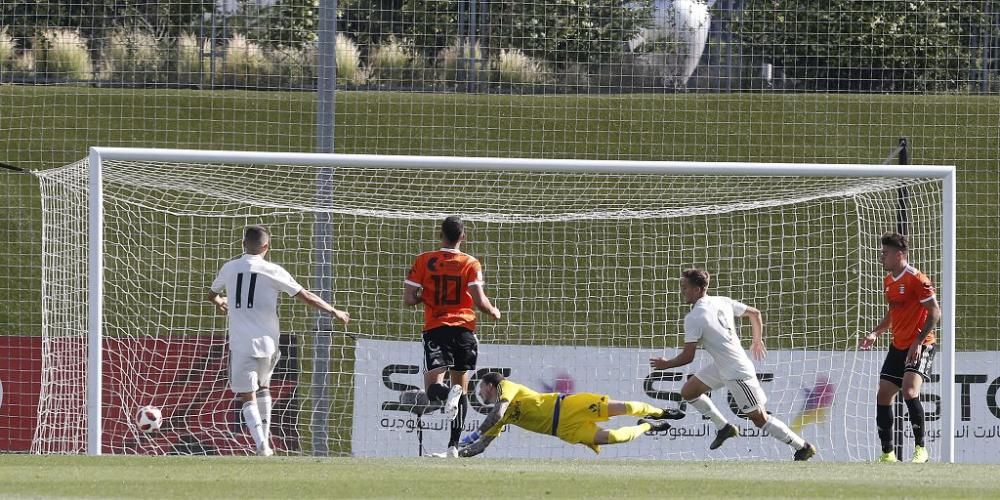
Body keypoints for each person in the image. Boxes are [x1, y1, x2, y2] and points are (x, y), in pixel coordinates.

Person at [208, 225, 350, 456]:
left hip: (241, 343)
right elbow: (307, 296)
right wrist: (334, 311)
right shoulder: (273, 271)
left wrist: (220, 301)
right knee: (263, 387)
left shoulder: (229, 268)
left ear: (243, 244)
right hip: (268, 344)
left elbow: (211, 294)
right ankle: (264, 440)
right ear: (266, 246)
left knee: (247, 395)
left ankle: (261, 444)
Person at [649, 268, 817, 461]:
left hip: (736, 372)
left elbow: (688, 357)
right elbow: (754, 313)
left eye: (685, 287)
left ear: (697, 289)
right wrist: (757, 340)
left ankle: (802, 447)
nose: (682, 291)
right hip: (723, 366)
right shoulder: (721, 301)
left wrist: (666, 364)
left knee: (759, 419)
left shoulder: (694, 318)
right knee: (689, 392)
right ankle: (724, 428)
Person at [404, 216, 501, 456]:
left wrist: (422, 297)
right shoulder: (471, 263)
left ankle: (448, 395)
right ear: (463, 237)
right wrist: (493, 311)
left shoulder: (424, 260)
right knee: (462, 388)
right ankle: (453, 447)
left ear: (440, 234)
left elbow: (408, 299)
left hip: (436, 329)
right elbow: (480, 301)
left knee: (433, 390)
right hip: (464, 331)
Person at [437, 372, 684, 457]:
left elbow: (497, 414)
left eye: (481, 389)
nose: (479, 394)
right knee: (616, 438)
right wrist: (459, 454)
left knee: (625, 408)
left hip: (567, 406)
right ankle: (647, 426)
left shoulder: (506, 388)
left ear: (491, 385)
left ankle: (661, 411)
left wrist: (468, 437)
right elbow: (482, 446)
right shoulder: (502, 419)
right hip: (565, 430)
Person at [858, 232, 940, 463]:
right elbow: (893, 314)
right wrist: (875, 332)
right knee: (883, 395)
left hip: (921, 344)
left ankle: (921, 450)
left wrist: (917, 341)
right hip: (898, 346)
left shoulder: (918, 279)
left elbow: (935, 312)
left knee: (909, 392)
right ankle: (888, 454)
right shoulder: (889, 281)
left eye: (885, 254)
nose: (881, 258)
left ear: (899, 255)